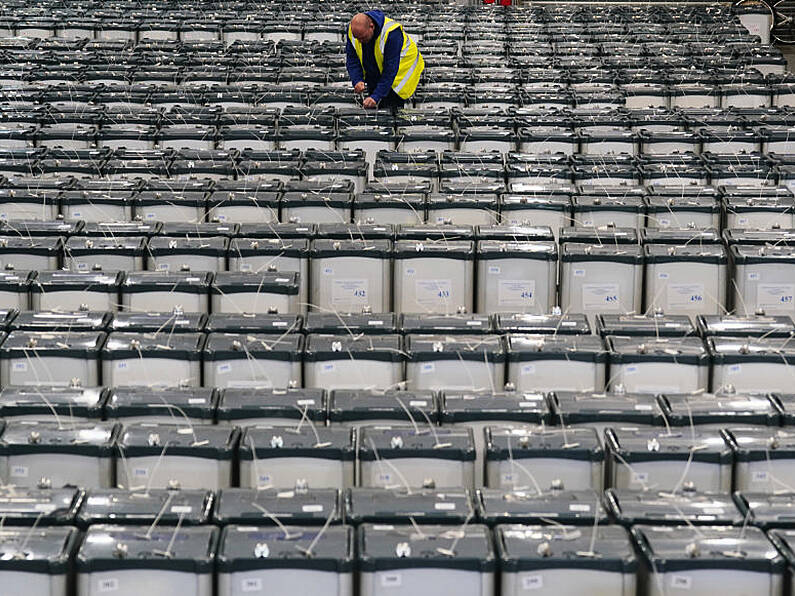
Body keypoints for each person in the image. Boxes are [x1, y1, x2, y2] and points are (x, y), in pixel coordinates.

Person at [346, 10, 424, 110]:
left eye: (363, 37)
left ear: (371, 26)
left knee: (390, 108)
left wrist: (376, 96)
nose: (360, 42)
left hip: (401, 71)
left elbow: (390, 70)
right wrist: (357, 80)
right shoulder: (353, 31)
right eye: (357, 38)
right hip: (379, 67)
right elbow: (352, 58)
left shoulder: (392, 33)